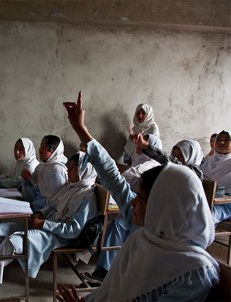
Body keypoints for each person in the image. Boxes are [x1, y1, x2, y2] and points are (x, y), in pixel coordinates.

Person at [58, 93, 217, 302]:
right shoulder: (149, 232)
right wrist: (81, 129)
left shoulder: (192, 274)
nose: (132, 203)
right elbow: (113, 177)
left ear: (162, 206)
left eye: (140, 199)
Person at [0, 152, 98, 298]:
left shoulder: (87, 197)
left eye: (73, 167)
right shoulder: (72, 188)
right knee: (0, 228)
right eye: (69, 167)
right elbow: (52, 205)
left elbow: (73, 231)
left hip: (58, 235)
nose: (68, 170)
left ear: (85, 170)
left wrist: (44, 224)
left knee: (14, 241)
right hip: (48, 223)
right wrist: (41, 213)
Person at [22, 135, 67, 211]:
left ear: (55, 151)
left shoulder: (57, 169)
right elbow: (34, 183)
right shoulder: (41, 166)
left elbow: (58, 199)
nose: (40, 149)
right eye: (41, 145)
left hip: (50, 210)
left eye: (45, 146)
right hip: (38, 204)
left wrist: (42, 212)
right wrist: (27, 178)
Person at [201, 131, 231, 222]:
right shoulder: (208, 161)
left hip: (226, 204)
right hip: (206, 200)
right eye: (218, 140)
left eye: (226, 140)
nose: (222, 142)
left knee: (206, 214)